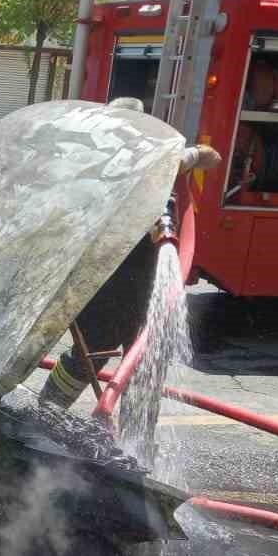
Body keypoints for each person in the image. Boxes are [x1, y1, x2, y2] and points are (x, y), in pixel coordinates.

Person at [38, 98, 217, 410]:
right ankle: (46, 413)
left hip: (142, 290)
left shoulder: (156, 162)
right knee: (88, 357)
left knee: (140, 366)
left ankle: (134, 442)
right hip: (105, 288)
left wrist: (187, 155)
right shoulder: (97, 164)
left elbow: (211, 157)